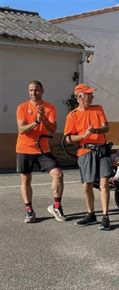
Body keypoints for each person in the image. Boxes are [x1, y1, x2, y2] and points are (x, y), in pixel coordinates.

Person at [64, 83, 112, 230]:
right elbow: (67, 139)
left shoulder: (98, 109)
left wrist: (95, 130)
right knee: (87, 185)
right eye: (88, 95)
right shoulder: (72, 116)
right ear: (80, 97)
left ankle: (105, 217)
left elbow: (106, 127)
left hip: (102, 150)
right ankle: (91, 214)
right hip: (85, 152)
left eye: (91, 95)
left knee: (104, 184)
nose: (91, 97)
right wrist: (84, 135)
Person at [16, 80, 65, 223]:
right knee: (26, 179)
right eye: (31, 90)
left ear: (42, 91)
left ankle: (56, 206)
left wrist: (43, 118)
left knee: (58, 174)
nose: (33, 93)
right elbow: (21, 129)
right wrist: (36, 122)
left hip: (43, 149)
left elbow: (53, 129)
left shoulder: (50, 107)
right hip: (24, 148)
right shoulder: (22, 107)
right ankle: (29, 211)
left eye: (36, 90)